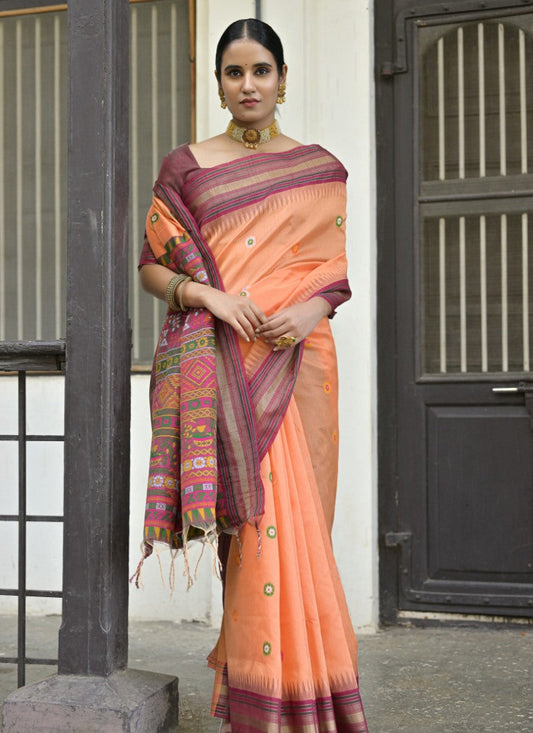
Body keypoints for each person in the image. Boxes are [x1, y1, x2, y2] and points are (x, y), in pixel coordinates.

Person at [136, 17, 368, 732]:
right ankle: (256, 699)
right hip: (224, 369)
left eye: (260, 71)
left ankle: (302, 693)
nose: (248, 85)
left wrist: (304, 314)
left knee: (300, 530)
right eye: (234, 73)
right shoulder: (186, 168)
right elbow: (151, 266)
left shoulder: (320, 169)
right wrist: (208, 296)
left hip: (298, 368)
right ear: (217, 83)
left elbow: (332, 274)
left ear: (283, 79)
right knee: (254, 532)